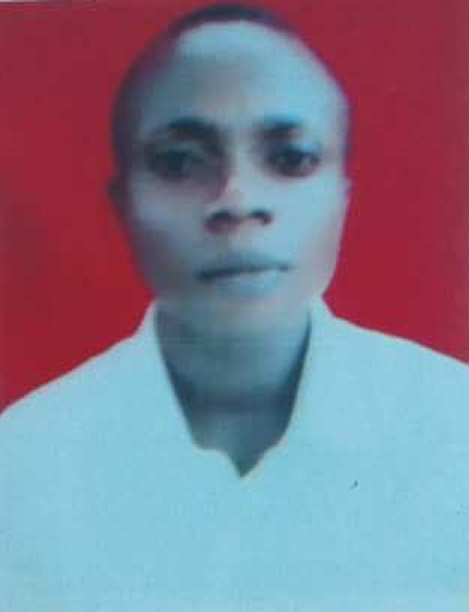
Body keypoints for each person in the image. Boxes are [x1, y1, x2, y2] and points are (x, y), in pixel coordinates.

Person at [1, 4, 468, 611]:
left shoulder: (453, 431)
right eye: (180, 162)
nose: (238, 200)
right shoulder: (23, 464)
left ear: (343, 194)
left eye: (291, 158)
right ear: (122, 205)